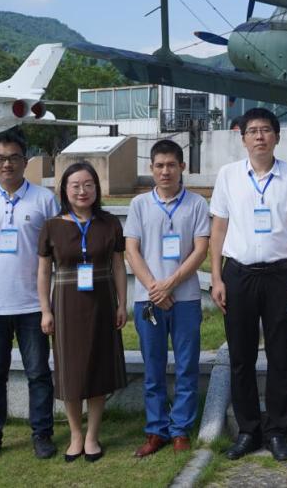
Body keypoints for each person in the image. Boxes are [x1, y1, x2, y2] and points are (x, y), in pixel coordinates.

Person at [209, 108, 287, 462]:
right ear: (243, 138)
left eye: (266, 130)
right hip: (239, 275)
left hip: (281, 275)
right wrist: (217, 277)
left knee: (280, 356)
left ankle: (278, 430)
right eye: (253, 131)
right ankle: (248, 430)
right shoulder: (229, 176)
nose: (260, 136)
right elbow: (218, 229)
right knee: (241, 356)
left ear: (277, 137)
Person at [0, 132, 59, 465]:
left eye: (14, 157)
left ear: (25, 161)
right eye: (0, 158)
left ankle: (42, 434)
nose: (7, 164)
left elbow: (54, 249)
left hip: (33, 304)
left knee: (39, 374)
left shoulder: (45, 199)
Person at [37, 161, 128, 463]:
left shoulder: (110, 223)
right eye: (75, 185)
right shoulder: (52, 226)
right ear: (64, 190)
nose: (82, 191)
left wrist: (122, 303)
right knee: (71, 370)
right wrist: (45, 310)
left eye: (88, 184)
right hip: (66, 304)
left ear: (96, 188)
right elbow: (43, 272)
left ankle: (92, 435)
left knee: (99, 367)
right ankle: (76, 434)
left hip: (102, 302)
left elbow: (118, 266)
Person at [125, 139, 210, 457]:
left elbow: (200, 249)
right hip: (148, 300)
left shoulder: (197, 204)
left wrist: (170, 284)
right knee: (153, 366)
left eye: (171, 165)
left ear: (182, 167)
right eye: (159, 165)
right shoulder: (139, 204)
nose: (165, 171)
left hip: (185, 298)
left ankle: (180, 429)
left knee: (187, 365)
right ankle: (156, 429)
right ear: (151, 168)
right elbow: (131, 250)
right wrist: (154, 288)